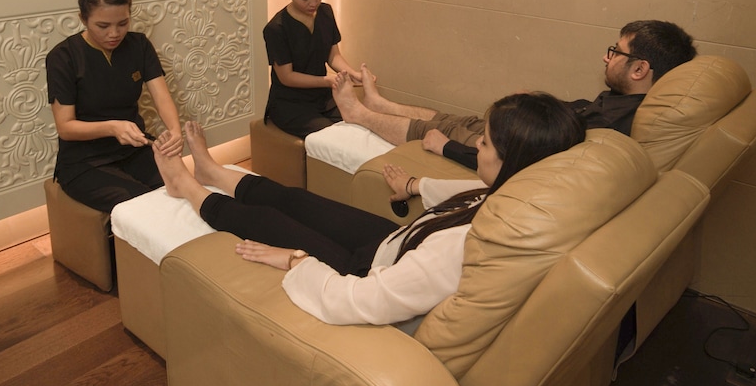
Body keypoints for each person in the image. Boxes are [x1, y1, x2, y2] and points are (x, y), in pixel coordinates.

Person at [153, 93, 586, 326]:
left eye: (485, 143)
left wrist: (295, 259)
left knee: (266, 222)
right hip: (392, 244)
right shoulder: (521, 192)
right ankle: (212, 171)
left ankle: (185, 185)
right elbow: (472, 191)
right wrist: (415, 185)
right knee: (297, 199)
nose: (475, 144)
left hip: (365, 272)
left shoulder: (457, 251)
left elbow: (359, 301)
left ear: (514, 160)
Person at [332, 20, 696, 170]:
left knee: (441, 129)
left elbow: (522, 164)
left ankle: (359, 114)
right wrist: (531, 102)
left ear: (639, 69)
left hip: (510, 144)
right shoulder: (620, 102)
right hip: (517, 127)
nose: (607, 56)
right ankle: (381, 105)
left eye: (615, 51)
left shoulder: (614, 124)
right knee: (456, 118)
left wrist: (448, 148)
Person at [45, 0, 184, 212]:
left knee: (180, 187)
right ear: (83, 18)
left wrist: (175, 131)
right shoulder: (64, 57)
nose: (114, 33)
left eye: (123, 23)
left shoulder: (139, 45)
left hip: (133, 148)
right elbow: (65, 127)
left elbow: (161, 97)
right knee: (141, 205)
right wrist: (112, 128)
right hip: (84, 161)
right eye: (103, 26)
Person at [262, 0, 365, 138]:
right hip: (290, 103)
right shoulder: (277, 28)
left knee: (359, 123)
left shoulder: (325, 12)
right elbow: (287, 77)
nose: (314, 2)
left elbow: (333, 55)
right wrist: (327, 81)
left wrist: (353, 74)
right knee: (332, 136)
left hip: (322, 96)